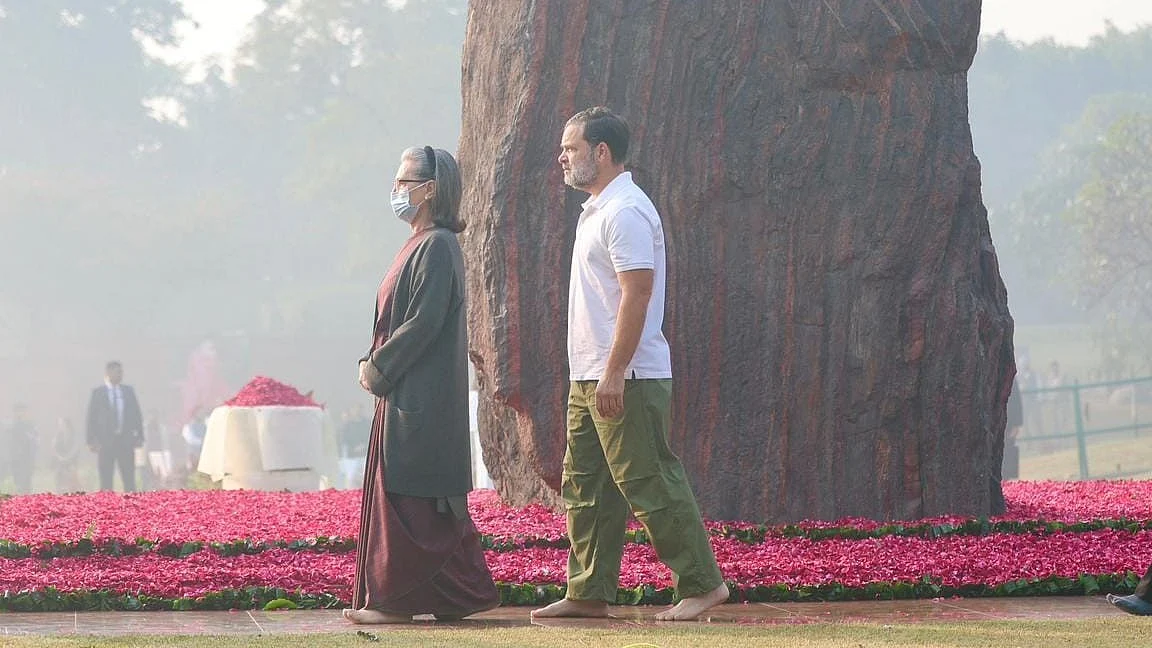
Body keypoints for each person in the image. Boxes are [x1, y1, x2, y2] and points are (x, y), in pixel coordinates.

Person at [532, 107, 729, 622]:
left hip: (628, 374)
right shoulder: (597, 208)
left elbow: (637, 294)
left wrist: (616, 371)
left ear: (601, 152)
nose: (563, 157)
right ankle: (588, 591)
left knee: (648, 480)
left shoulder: (626, 212)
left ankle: (702, 584)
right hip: (589, 373)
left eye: (571, 148)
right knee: (586, 484)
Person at [345, 145, 499, 625]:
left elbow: (423, 322)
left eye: (404, 182)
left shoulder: (437, 245)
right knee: (420, 501)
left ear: (429, 190)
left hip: (421, 397)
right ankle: (454, 598)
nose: (396, 191)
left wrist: (378, 367)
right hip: (406, 394)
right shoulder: (418, 242)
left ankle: (396, 603)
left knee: (412, 500)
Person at [85, 361, 145, 492]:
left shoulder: (128, 391)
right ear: (108, 373)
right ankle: (107, 508)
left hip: (126, 441)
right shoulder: (98, 393)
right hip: (105, 442)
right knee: (106, 479)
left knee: (129, 478)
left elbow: (136, 415)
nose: (121, 375)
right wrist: (90, 440)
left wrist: (140, 436)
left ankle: (132, 506)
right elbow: (91, 418)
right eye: (118, 372)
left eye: (121, 372)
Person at [8, 404, 38, 493]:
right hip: (16, 457)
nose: (19, 414)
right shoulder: (13, 425)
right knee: (17, 478)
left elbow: (34, 439)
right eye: (17, 412)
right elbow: (11, 441)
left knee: (26, 479)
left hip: (27, 457)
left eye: (21, 411)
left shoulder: (30, 425)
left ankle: (26, 499)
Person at [53, 417, 83, 493]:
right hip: (60, 462)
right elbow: (54, 448)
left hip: (72, 462)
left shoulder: (74, 435)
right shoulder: (57, 436)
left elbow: (75, 448)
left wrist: (67, 458)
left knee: (72, 481)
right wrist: (60, 457)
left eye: (62, 424)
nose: (60, 426)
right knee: (60, 480)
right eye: (59, 424)